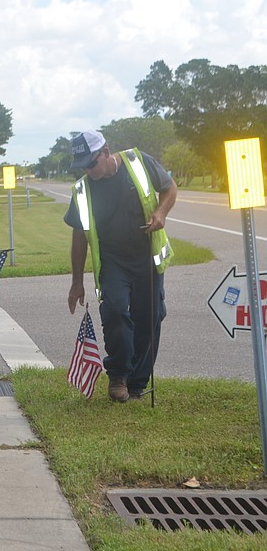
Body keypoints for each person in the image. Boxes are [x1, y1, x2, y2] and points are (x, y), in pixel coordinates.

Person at [63, 130, 177, 402]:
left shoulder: (139, 162)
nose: (88, 171)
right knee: (114, 310)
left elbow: (170, 188)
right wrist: (76, 281)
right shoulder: (82, 190)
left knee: (150, 318)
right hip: (113, 262)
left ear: (105, 152)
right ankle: (118, 375)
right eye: (82, 167)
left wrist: (160, 213)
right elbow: (78, 237)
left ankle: (137, 384)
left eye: (91, 164)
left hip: (146, 256)